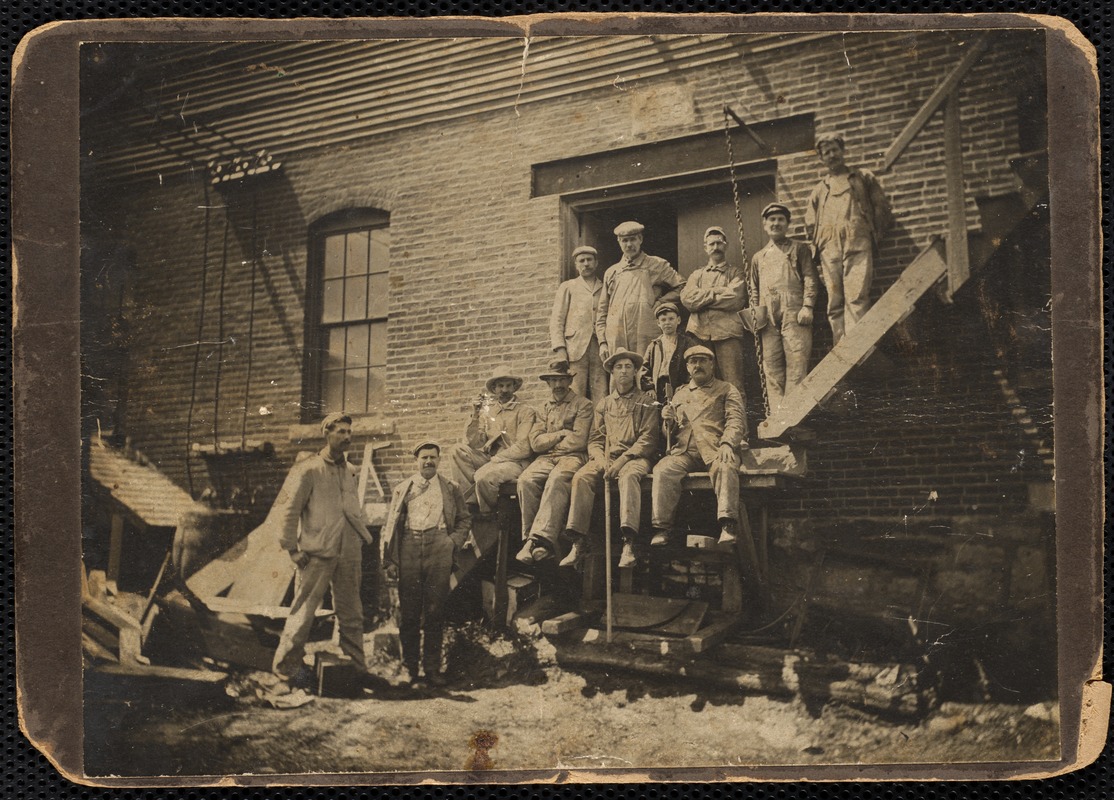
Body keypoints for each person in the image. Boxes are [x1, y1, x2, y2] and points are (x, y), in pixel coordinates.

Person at [271, 412, 374, 689]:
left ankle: (356, 668)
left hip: (348, 551)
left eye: (349, 432)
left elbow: (352, 510)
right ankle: (285, 670)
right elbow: (289, 512)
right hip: (316, 553)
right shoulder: (309, 470)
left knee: (352, 613)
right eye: (340, 432)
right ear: (326, 433)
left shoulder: (349, 470)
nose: (347, 437)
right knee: (303, 613)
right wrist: (292, 549)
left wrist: (362, 536)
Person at [381, 441, 471, 687]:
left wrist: (452, 542)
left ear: (439, 460)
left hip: (438, 545)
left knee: (435, 610)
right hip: (409, 546)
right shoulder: (403, 489)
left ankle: (431, 669)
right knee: (409, 612)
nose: (429, 461)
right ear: (416, 461)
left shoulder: (450, 488)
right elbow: (389, 525)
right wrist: (388, 559)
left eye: (433, 457)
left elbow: (464, 519)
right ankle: (409, 669)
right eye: (424, 458)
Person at [562, 348, 660, 569]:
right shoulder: (604, 404)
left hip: (635, 458)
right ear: (612, 373)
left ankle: (629, 543)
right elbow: (595, 439)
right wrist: (600, 458)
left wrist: (622, 460)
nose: (623, 371)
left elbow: (648, 439)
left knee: (628, 477)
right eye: (618, 367)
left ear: (635, 371)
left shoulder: (646, 402)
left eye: (628, 367)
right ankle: (578, 542)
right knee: (582, 477)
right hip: (607, 458)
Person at [651, 346, 747, 553]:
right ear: (687, 367)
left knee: (726, 465)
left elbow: (736, 421)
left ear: (712, 364)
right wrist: (667, 421)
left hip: (715, 448)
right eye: (693, 362)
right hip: (686, 451)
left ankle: (727, 524)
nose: (698, 365)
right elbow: (669, 433)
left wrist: (728, 443)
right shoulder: (679, 394)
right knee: (663, 470)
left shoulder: (726, 389)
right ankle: (662, 528)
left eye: (703, 360)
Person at [804, 133, 893, 344]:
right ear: (821, 158)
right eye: (827, 153)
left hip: (857, 242)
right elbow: (809, 222)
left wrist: (873, 236)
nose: (832, 155)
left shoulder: (862, 178)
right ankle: (842, 350)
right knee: (834, 302)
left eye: (835, 150)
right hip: (829, 249)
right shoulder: (819, 190)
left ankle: (858, 346)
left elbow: (882, 209)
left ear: (842, 151)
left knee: (856, 297)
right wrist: (819, 243)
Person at [515, 365, 594, 564]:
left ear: (569, 381)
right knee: (526, 480)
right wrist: (559, 434)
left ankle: (540, 542)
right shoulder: (543, 408)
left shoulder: (583, 405)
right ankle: (531, 540)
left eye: (562, 380)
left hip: (573, 456)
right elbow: (535, 442)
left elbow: (579, 440)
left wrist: (550, 442)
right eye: (553, 380)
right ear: (548, 383)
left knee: (557, 479)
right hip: (545, 458)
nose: (557, 384)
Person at [749, 202, 820, 410]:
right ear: (765, 224)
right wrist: (755, 312)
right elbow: (753, 289)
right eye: (772, 220)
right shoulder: (758, 257)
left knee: (797, 364)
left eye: (780, 219)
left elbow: (810, 278)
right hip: (768, 316)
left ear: (787, 224)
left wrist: (808, 306)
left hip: (794, 311)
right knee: (771, 368)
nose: (776, 223)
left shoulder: (799, 249)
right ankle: (778, 418)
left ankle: (794, 417)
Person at [446, 366, 538, 516]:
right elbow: (473, 442)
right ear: (494, 389)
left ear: (515, 387)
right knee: (456, 450)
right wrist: (475, 414)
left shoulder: (526, 411)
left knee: (484, 477)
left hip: (514, 462)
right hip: (490, 460)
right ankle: (470, 504)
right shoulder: (489, 412)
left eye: (508, 385)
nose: (504, 390)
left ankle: (487, 515)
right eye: (500, 386)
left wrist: (497, 459)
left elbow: (524, 447)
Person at [595, 221, 685, 366]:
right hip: (617, 337)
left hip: (645, 333)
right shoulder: (612, 272)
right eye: (625, 240)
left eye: (633, 239)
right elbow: (602, 311)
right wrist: (603, 342)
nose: (629, 244)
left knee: (648, 375)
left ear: (640, 240)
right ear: (619, 242)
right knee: (621, 382)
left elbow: (682, 286)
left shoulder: (657, 264)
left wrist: (661, 304)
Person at [679, 225, 749, 400]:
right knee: (701, 382)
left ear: (725, 245)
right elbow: (688, 300)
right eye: (711, 244)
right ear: (705, 248)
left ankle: (739, 427)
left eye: (719, 243)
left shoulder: (735, 273)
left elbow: (735, 298)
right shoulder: (696, 275)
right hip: (699, 333)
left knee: (733, 384)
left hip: (727, 334)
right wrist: (716, 292)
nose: (716, 247)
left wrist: (702, 298)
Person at [549, 245, 608, 402]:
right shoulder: (568, 287)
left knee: (600, 390)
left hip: (599, 345)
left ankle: (599, 426)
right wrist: (560, 349)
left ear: (596, 263)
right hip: (575, 347)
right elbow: (557, 319)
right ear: (576, 265)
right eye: (582, 261)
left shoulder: (605, 287)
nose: (586, 264)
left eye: (589, 260)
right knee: (576, 390)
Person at [642, 299, 700, 408]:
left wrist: (688, 384)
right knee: (660, 412)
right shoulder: (654, 345)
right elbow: (645, 368)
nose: (667, 322)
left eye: (671, 319)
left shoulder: (686, 342)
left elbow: (694, 363)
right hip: (659, 386)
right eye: (663, 320)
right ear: (658, 323)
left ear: (678, 320)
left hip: (679, 383)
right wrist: (649, 387)